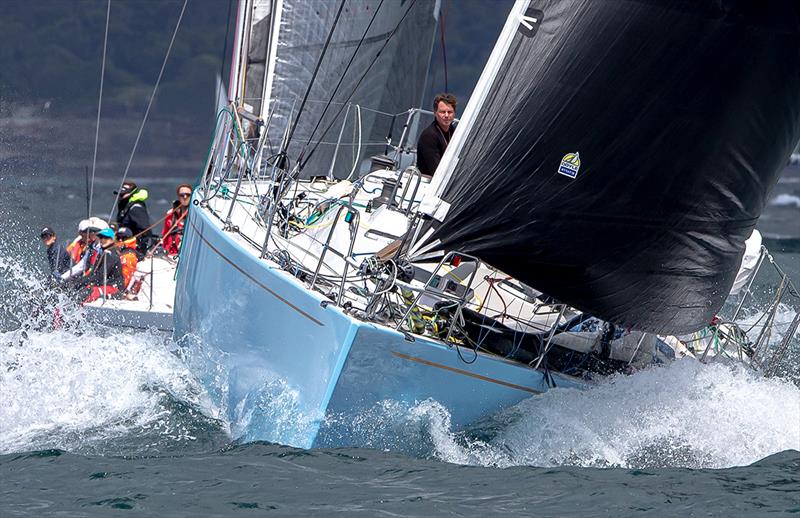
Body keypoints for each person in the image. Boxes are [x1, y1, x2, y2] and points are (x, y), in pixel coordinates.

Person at [74, 227, 125, 303]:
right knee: (74, 287)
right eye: (101, 237)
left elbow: (100, 276)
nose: (102, 240)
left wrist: (82, 282)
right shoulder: (102, 252)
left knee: (87, 292)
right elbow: (93, 273)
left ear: (112, 239)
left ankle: (74, 311)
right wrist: (78, 282)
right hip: (103, 285)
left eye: (106, 238)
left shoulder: (111, 254)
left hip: (114, 288)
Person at [416, 93, 457, 177]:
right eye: (442, 112)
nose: (446, 115)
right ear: (435, 112)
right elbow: (436, 171)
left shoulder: (454, 132)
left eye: (449, 112)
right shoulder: (429, 136)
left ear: (454, 113)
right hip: (429, 183)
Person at [114, 181, 152, 255]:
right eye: (119, 195)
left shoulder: (136, 208)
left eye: (122, 195)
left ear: (131, 194)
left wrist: (141, 250)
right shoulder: (125, 206)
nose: (119, 197)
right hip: (123, 244)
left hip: (134, 248)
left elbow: (145, 231)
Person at [161, 184, 192, 256]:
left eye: (188, 195)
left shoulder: (194, 215)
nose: (185, 197)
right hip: (172, 254)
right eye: (182, 195)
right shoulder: (170, 214)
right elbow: (165, 233)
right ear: (178, 196)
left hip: (188, 255)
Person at [116, 227, 140, 295]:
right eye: (118, 237)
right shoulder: (122, 252)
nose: (120, 240)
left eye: (124, 238)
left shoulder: (129, 255)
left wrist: (117, 290)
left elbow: (126, 277)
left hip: (122, 290)